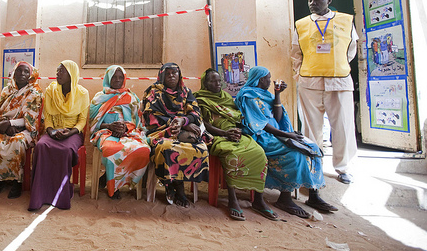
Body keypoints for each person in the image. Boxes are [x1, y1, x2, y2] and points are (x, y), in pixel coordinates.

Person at [235, 66, 337, 218]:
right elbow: (259, 124)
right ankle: (285, 198)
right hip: (262, 136)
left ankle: (314, 196)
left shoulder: (265, 94)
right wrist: (285, 134)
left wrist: (277, 95)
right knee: (294, 154)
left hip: (277, 133)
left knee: (313, 148)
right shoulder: (247, 96)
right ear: (259, 79)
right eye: (267, 78)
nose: (270, 81)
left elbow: (277, 118)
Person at [292, 0, 358, 184]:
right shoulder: (302, 24)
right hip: (309, 81)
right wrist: (299, 72)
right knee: (311, 128)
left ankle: (343, 167)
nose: (313, 3)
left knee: (343, 126)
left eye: (318, 0)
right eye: (310, 0)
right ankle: (314, 165)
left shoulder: (345, 21)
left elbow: (351, 49)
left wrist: (338, 65)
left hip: (339, 81)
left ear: (329, 1)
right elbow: (296, 52)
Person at [194, 69, 277, 221]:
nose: (218, 84)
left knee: (259, 153)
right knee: (232, 155)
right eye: (213, 81)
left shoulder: (226, 97)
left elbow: (237, 117)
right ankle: (232, 198)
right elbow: (202, 124)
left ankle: (258, 199)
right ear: (205, 83)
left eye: (219, 81)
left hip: (235, 133)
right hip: (215, 136)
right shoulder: (199, 99)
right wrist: (225, 133)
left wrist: (236, 131)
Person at [141, 62, 209, 208]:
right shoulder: (153, 92)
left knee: (199, 147)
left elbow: (195, 113)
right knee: (167, 147)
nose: (172, 76)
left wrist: (184, 121)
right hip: (160, 132)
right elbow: (151, 117)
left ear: (179, 75)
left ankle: (178, 183)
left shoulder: (186, 92)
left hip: (183, 129)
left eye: (174, 73)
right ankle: (176, 186)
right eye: (168, 73)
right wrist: (175, 123)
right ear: (162, 76)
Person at [28, 60, 89, 211]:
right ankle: (40, 195)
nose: (58, 74)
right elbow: (47, 117)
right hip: (53, 130)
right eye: (57, 70)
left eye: (62, 71)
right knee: (41, 146)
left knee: (65, 150)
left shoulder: (82, 93)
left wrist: (70, 132)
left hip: (72, 132)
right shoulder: (51, 90)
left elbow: (82, 121)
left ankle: (61, 195)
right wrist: (51, 131)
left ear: (72, 74)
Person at [89, 65, 150, 199]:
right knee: (111, 150)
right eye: (114, 77)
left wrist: (125, 128)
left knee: (143, 149)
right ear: (108, 78)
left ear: (124, 79)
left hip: (128, 132)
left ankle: (122, 180)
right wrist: (110, 126)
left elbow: (138, 121)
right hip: (105, 132)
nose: (117, 80)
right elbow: (93, 123)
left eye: (120, 77)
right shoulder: (99, 98)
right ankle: (113, 188)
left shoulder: (131, 98)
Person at [0, 61, 42, 199]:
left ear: (31, 75)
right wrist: (6, 126)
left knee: (17, 143)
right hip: (4, 125)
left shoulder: (35, 92)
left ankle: (17, 181)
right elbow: (0, 111)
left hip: (26, 128)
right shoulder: (7, 90)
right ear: (14, 73)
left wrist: (12, 124)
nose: (22, 74)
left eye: (26, 72)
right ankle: (0, 180)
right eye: (19, 71)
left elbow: (32, 118)